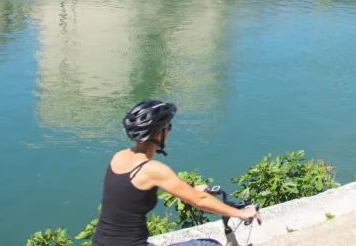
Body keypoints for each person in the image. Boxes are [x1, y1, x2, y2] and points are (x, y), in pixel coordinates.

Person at [92, 100, 261, 246]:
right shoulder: (152, 169)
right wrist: (242, 213)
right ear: (158, 135)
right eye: (169, 127)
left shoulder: (119, 157)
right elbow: (199, 200)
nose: (170, 131)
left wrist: (192, 189)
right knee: (209, 244)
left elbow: (132, 193)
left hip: (100, 242)